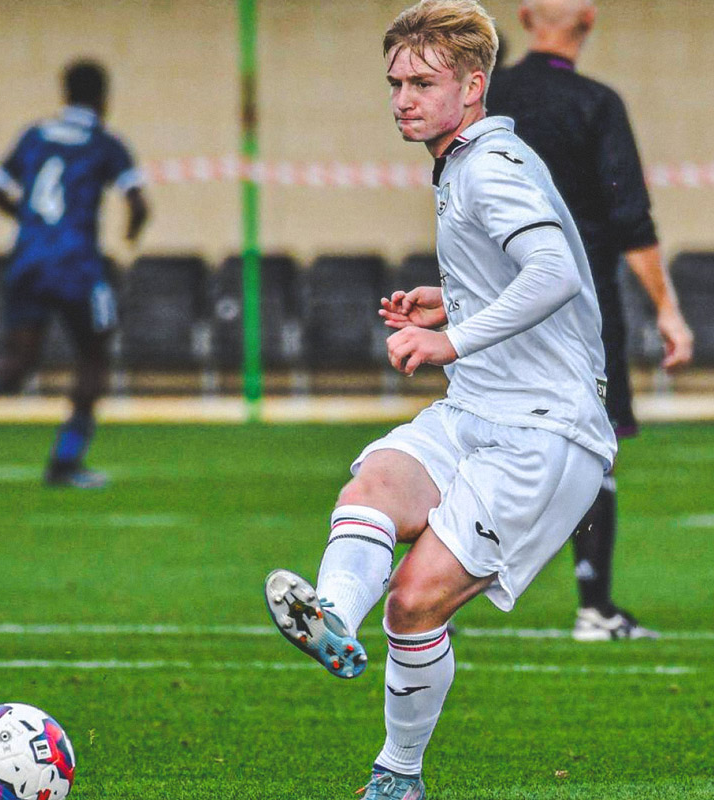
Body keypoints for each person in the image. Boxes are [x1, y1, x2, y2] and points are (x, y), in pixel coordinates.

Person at [264, 1, 616, 796]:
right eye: (394, 82)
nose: (402, 98)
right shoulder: (464, 160)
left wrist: (451, 340)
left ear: (474, 85)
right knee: (374, 486)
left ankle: (398, 775)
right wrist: (450, 301)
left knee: (416, 603)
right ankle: (332, 623)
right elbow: (525, 277)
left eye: (423, 81)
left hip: (543, 433)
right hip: (477, 410)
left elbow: (557, 275)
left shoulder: (491, 166)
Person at [486, 0, 693, 641]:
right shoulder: (597, 103)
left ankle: (429, 596)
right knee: (593, 455)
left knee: (479, 443)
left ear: (524, 19)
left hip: (497, 306)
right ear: (591, 20)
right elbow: (630, 217)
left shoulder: (489, 101)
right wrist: (667, 309)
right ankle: (594, 608)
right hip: (580, 309)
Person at [0, 59, 148, 488]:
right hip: (76, 265)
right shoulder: (105, 143)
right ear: (104, 99)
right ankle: (65, 461)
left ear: (65, 95)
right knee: (95, 357)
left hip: (28, 260)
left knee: (18, 361)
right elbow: (138, 204)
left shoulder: (35, 135)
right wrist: (130, 233)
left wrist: (30, 222)